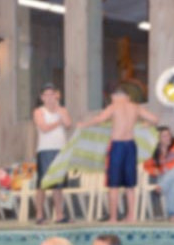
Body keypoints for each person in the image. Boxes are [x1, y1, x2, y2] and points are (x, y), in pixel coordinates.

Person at [77, 87, 159, 223]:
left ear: (114, 96)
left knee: (113, 185)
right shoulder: (135, 107)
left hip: (117, 146)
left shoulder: (113, 106)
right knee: (130, 185)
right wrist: (146, 124)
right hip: (131, 146)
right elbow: (155, 119)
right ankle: (131, 217)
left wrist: (84, 125)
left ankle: (113, 218)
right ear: (127, 96)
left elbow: (100, 119)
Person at [33, 84, 72, 225]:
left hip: (60, 149)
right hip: (45, 150)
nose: (50, 98)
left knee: (58, 185)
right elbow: (44, 128)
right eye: (47, 95)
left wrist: (59, 110)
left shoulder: (62, 110)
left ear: (56, 95)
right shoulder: (39, 111)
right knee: (43, 184)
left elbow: (68, 124)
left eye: (52, 94)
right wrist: (58, 122)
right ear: (42, 97)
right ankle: (39, 214)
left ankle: (59, 215)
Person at [142, 126, 174, 221]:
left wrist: (171, 168)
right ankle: (172, 214)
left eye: (169, 135)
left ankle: (161, 186)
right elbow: (146, 165)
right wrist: (154, 170)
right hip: (165, 176)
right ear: (157, 138)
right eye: (164, 136)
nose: (168, 137)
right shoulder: (154, 150)